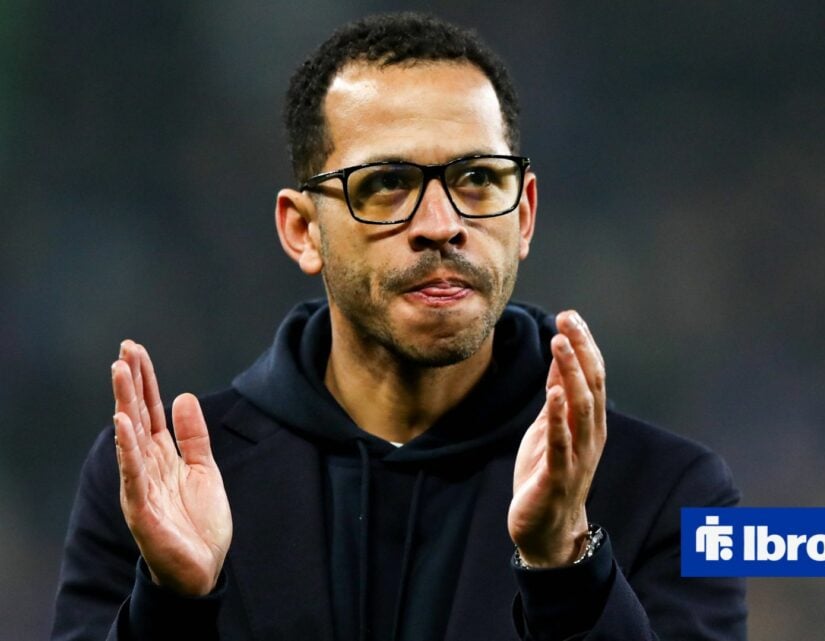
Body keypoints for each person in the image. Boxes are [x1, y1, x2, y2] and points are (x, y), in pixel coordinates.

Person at [52, 12, 746, 641]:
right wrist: (172, 608)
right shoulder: (162, 484)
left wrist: (566, 565)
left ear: (524, 213)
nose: (442, 226)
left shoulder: (667, 490)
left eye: (478, 178)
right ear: (303, 230)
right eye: (386, 184)